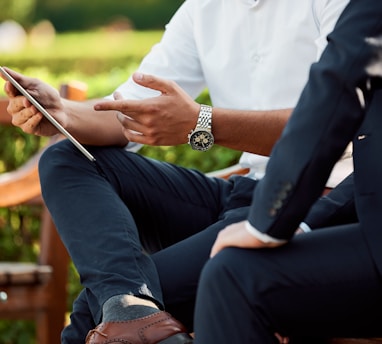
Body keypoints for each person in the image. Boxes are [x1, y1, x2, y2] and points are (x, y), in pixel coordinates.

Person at [2, 0, 351, 343]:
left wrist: (203, 123)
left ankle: (129, 309)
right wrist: (60, 112)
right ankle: (131, 306)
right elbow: (127, 112)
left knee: (91, 318)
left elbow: (331, 123)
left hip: (314, 203)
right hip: (241, 193)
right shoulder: (203, 8)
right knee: (66, 159)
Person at [193, 0, 382, 342]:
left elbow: (340, 82)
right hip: (252, 197)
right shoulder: (200, 10)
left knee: (232, 277)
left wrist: (267, 223)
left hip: (308, 208)